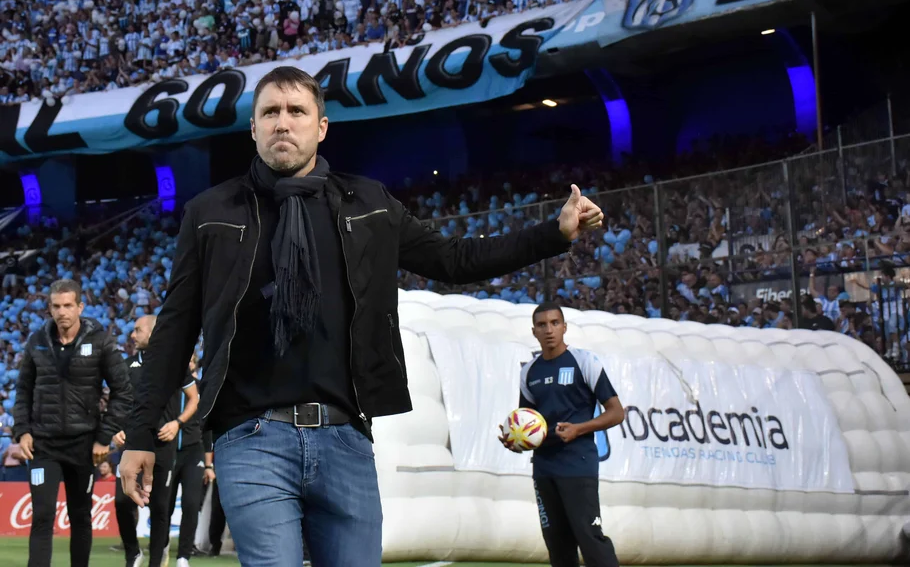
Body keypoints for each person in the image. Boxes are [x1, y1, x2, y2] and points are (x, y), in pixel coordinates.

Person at [119, 65, 603, 567]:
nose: (283, 122)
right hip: (251, 438)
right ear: (254, 128)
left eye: (297, 111)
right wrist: (140, 435)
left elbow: (454, 260)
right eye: (270, 112)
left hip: (344, 437)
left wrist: (553, 234)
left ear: (321, 127)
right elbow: (175, 329)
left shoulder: (368, 204)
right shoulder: (210, 212)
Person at [12, 279, 133, 567]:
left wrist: (103, 437)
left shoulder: (101, 341)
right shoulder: (36, 341)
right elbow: (23, 390)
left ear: (80, 306)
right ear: (49, 308)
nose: (62, 312)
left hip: (84, 445)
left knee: (80, 516)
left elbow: (123, 392)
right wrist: (22, 431)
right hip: (43, 445)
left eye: (68, 305)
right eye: (56, 306)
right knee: (42, 516)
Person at [500, 302, 624, 567]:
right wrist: (515, 441)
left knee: (590, 539)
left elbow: (616, 412)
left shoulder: (584, 362)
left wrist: (579, 429)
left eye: (555, 323)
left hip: (578, 464)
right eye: (542, 325)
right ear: (534, 331)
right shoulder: (529, 372)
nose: (549, 330)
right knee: (558, 548)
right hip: (544, 468)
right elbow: (528, 422)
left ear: (564, 327)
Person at [114, 315, 198, 567]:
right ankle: (133, 552)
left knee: (160, 507)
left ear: (152, 332)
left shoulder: (175, 364)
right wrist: (116, 430)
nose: (132, 335)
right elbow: (117, 403)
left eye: (137, 330)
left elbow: (194, 398)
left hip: (163, 445)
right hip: (132, 444)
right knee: (122, 501)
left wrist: (177, 423)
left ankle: (155, 563)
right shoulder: (125, 366)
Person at [166, 355, 207, 567]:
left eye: (191, 360)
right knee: (164, 504)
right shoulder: (167, 384)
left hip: (194, 451)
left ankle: (183, 556)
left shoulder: (201, 388)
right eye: (186, 359)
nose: (188, 363)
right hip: (168, 450)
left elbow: (207, 426)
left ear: (195, 364)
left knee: (191, 504)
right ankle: (162, 546)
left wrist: (209, 464)